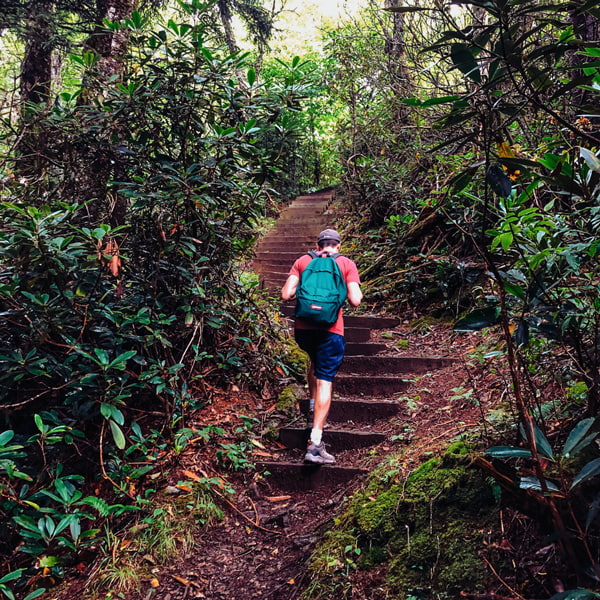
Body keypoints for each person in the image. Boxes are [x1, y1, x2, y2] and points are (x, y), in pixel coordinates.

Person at [281, 229, 363, 464]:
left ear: (318, 245)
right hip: (331, 329)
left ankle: (311, 410)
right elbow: (356, 300)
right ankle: (315, 444)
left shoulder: (303, 260)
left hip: (304, 330)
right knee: (325, 378)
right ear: (338, 245)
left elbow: (286, 294)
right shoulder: (346, 263)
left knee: (314, 364)